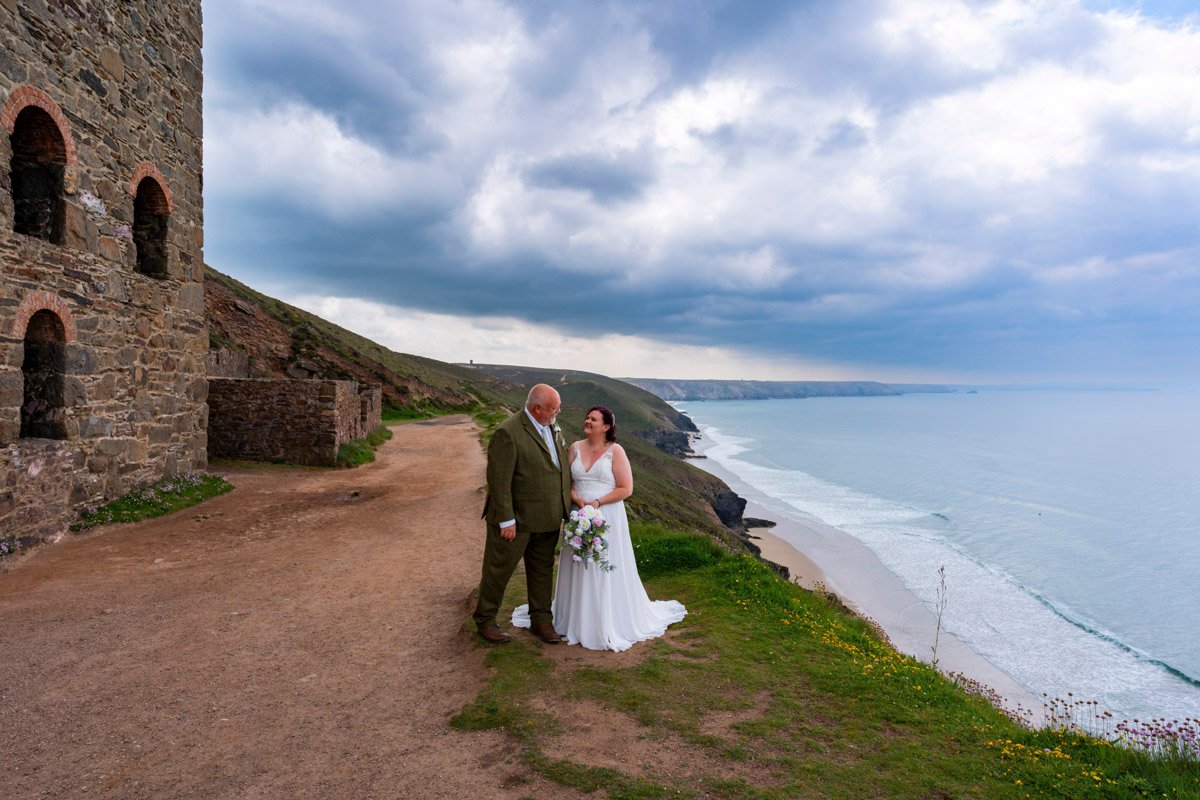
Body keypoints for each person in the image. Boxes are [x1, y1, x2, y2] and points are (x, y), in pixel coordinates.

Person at [513, 405, 686, 651]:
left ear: (606, 427)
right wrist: (576, 499)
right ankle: (574, 619)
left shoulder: (616, 451)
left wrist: (597, 503)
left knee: (604, 564)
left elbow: (626, 488)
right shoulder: (574, 448)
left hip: (607, 514)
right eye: (586, 417)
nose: (587, 421)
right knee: (577, 564)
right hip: (579, 513)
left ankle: (606, 621)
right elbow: (565, 482)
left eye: (593, 419)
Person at [473, 384, 572, 645]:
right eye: (554, 407)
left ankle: (541, 620)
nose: (558, 411)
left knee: (542, 570)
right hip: (516, 521)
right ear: (537, 408)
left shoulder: (553, 426)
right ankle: (485, 620)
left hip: (547, 518)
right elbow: (499, 481)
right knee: (498, 570)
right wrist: (507, 519)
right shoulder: (508, 432)